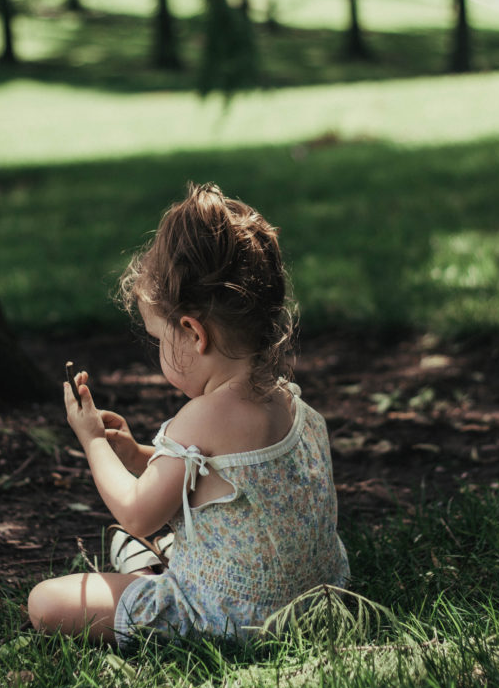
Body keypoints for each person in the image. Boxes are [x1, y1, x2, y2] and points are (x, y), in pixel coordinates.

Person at [28, 182, 349, 647]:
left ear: (193, 333)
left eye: (160, 339)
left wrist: (94, 442)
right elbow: (209, 477)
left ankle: (154, 568)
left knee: (46, 602)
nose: (159, 350)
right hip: (315, 601)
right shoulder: (289, 403)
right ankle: (161, 560)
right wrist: (139, 456)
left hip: (231, 619)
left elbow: (138, 512)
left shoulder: (200, 418)